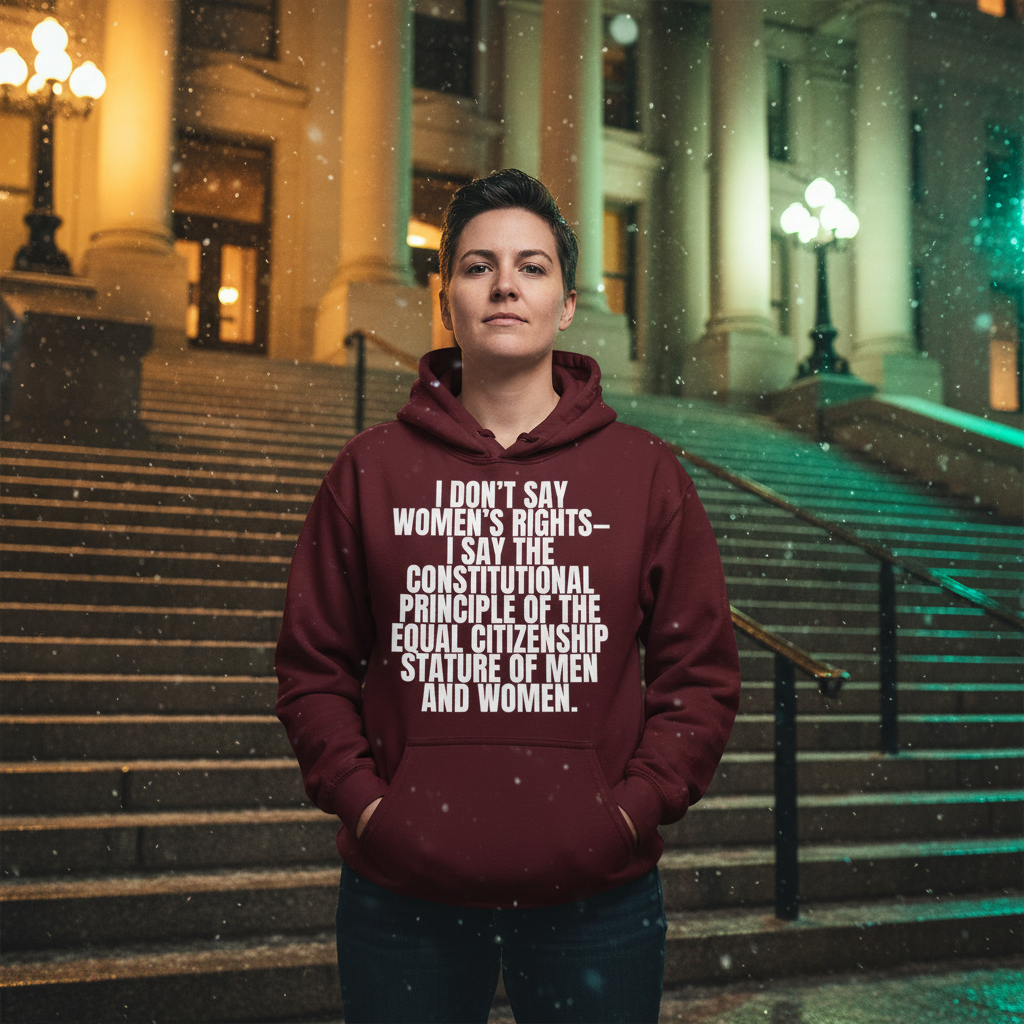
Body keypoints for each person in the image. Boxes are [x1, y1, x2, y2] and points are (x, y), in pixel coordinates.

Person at [275, 168, 740, 1023]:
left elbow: (699, 677)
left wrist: (629, 813)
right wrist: (371, 805)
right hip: (401, 896)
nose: (504, 286)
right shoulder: (370, 470)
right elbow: (313, 666)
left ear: (566, 304)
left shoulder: (644, 473)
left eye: (531, 267)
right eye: (479, 265)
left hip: (596, 899)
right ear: (445, 295)